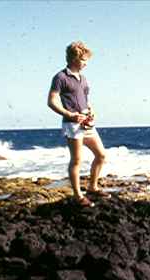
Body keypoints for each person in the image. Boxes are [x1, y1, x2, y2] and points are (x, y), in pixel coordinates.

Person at [47, 41, 110, 207]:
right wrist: (70, 115)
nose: (86, 63)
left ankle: (92, 187)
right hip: (72, 125)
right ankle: (78, 196)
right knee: (76, 160)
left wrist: (91, 110)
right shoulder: (60, 77)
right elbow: (51, 101)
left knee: (101, 155)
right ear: (74, 58)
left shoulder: (83, 79)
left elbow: (86, 101)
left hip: (87, 124)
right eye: (83, 60)